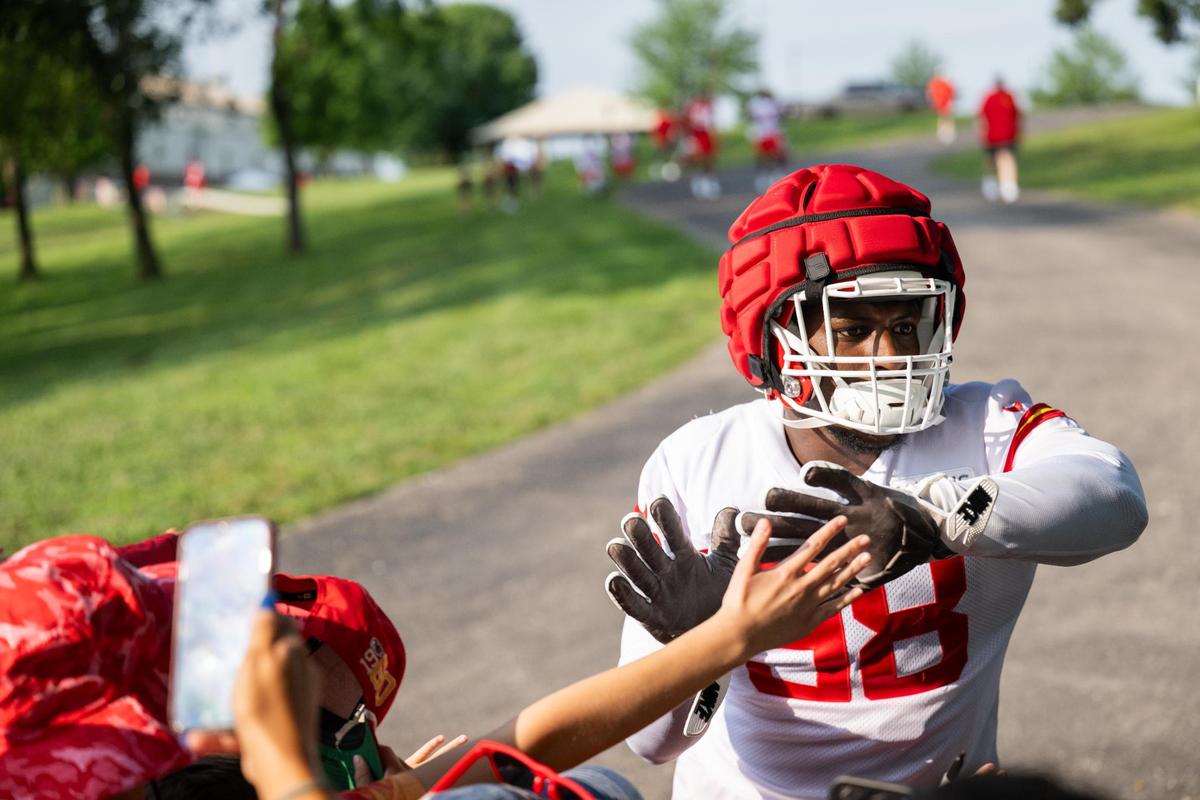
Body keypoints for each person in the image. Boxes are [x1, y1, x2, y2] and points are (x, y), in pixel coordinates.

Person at [606, 163, 1148, 798]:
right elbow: (653, 744)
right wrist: (701, 647)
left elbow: (1115, 496)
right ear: (775, 338)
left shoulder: (983, 423)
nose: (890, 355)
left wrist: (935, 516)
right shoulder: (699, 459)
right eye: (855, 329)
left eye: (906, 324)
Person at [979, 78, 1021, 203]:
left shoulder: (1007, 97)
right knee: (997, 160)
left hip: (1004, 135)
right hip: (995, 136)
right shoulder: (993, 98)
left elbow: (1016, 115)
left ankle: (1007, 185)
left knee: (1005, 159)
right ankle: (995, 184)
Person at [747, 89, 788, 193]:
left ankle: (776, 175)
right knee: (762, 156)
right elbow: (750, 117)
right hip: (761, 134)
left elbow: (782, 116)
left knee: (776, 154)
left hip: (773, 132)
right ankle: (762, 177)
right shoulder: (755, 104)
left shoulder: (774, 103)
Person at [683, 93, 720, 200]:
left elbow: (711, 124)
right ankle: (699, 181)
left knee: (708, 159)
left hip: (706, 135)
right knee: (697, 159)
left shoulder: (708, 108)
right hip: (697, 135)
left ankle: (709, 182)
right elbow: (688, 123)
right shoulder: (693, 107)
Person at [926, 73, 957, 144]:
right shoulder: (935, 82)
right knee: (943, 117)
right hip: (939, 102)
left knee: (946, 117)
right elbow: (930, 93)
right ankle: (943, 132)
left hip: (945, 101)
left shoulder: (944, 82)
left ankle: (948, 132)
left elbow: (951, 92)